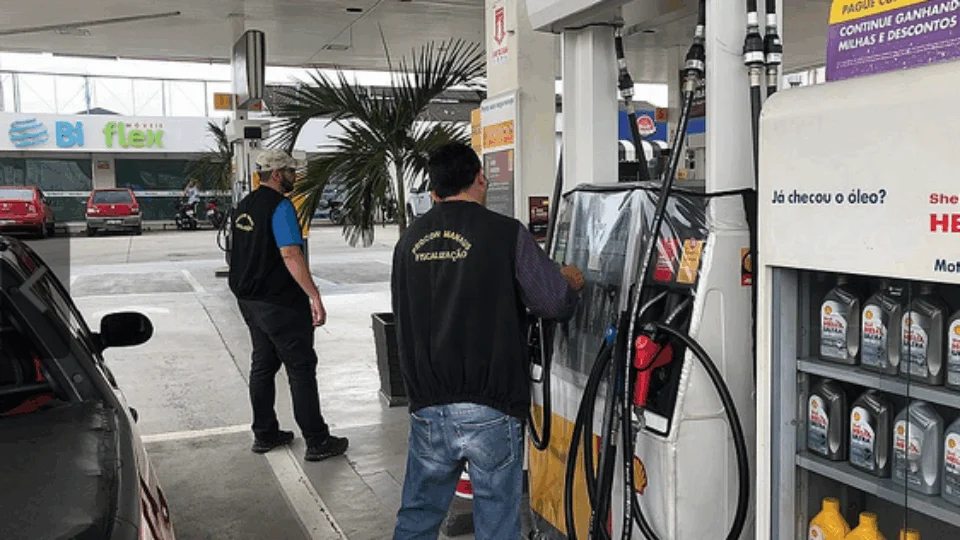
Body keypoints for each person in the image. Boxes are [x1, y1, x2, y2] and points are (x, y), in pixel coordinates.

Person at [390, 142, 585, 539]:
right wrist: (568, 282)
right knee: (496, 520)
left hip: (428, 403)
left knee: (418, 514)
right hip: (490, 405)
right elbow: (552, 303)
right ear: (480, 178)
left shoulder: (408, 241)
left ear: (434, 190)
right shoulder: (505, 233)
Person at [228, 148, 348, 462]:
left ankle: (265, 433)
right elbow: (291, 254)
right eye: (292, 172)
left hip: (249, 300)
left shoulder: (245, 205)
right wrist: (314, 295)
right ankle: (317, 440)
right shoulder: (280, 206)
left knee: (263, 364)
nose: (295, 177)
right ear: (278, 174)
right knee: (300, 367)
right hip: (279, 302)